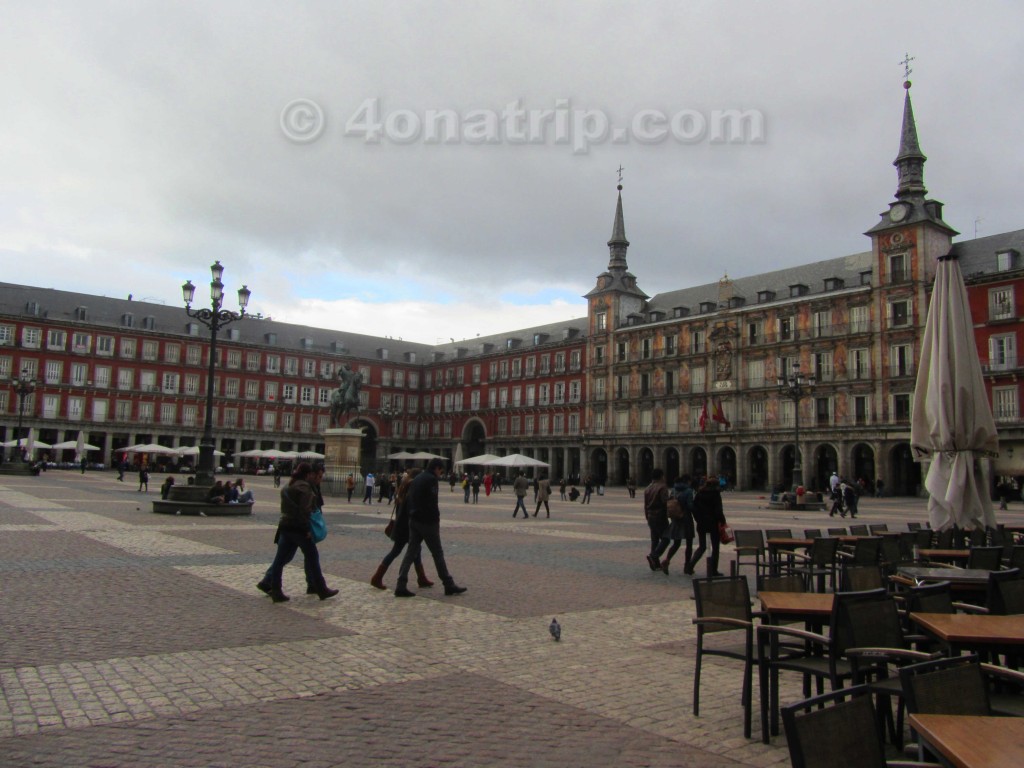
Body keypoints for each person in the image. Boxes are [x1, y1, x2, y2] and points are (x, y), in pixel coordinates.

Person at [257, 462, 338, 603]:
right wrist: (307, 529)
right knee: (312, 556)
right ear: (308, 475)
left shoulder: (288, 486)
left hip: (285, 526)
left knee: (279, 560)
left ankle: (275, 590)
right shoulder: (304, 488)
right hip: (298, 529)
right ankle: (321, 588)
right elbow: (305, 511)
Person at [393, 458, 466, 598]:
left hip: (413, 520)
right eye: (441, 470)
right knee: (437, 553)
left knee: (410, 553)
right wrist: (435, 519)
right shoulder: (431, 479)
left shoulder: (417, 478)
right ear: (436, 468)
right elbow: (433, 502)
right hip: (427, 522)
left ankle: (400, 584)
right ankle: (448, 584)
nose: (440, 473)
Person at [369, 469, 434, 591]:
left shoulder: (404, 485)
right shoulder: (412, 487)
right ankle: (377, 577)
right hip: (406, 527)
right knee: (398, 551)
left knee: (415, 550)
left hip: (401, 525)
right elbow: (411, 507)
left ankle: (421, 577)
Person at [652, 474, 695, 575]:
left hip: (676, 519)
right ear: (687, 481)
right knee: (689, 544)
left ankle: (666, 560)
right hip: (686, 519)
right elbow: (690, 506)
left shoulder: (674, 490)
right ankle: (687, 567)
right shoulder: (689, 491)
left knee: (676, 543)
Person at [686, 477, 727, 577]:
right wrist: (723, 521)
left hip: (702, 524)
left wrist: (698, 519)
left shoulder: (699, 494)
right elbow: (718, 511)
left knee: (702, 546)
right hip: (713, 524)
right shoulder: (716, 495)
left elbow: (694, 509)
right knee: (715, 548)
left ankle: (690, 566)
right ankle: (713, 570)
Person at [643, 469, 670, 571]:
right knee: (666, 538)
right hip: (660, 516)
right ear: (661, 476)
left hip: (650, 516)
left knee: (654, 540)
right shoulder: (662, 487)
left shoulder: (648, 488)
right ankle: (654, 556)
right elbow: (665, 502)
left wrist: (647, 516)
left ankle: (656, 564)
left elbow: (645, 505)